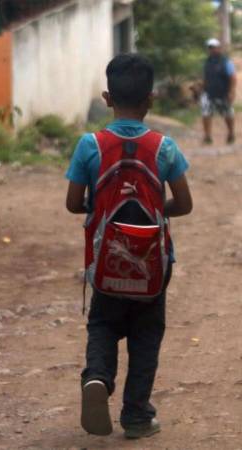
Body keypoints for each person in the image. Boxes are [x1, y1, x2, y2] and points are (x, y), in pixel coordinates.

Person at [65, 54, 193, 439]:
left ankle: (98, 379)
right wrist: (157, 213)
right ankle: (137, 416)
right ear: (151, 99)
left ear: (107, 97)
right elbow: (184, 205)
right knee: (146, 337)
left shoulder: (89, 145)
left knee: (103, 324)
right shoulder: (165, 148)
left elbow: (73, 203)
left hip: (106, 262)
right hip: (152, 264)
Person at [201, 38, 237, 144]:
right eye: (210, 47)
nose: (212, 49)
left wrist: (232, 92)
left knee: (228, 114)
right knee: (206, 114)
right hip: (209, 93)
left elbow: (233, 77)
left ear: (219, 48)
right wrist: (201, 88)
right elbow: (205, 78)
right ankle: (207, 136)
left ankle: (231, 134)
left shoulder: (226, 61)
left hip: (223, 93)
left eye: (213, 47)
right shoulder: (207, 62)